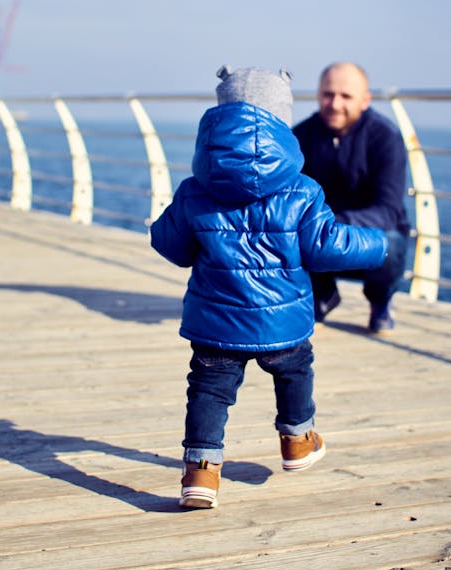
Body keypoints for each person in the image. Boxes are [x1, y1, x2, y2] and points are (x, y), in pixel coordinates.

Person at [150, 65, 388, 509]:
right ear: (281, 120)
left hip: (215, 321)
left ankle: (201, 473)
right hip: (283, 319)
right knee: (295, 370)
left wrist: (164, 230)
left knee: (208, 391)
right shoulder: (302, 190)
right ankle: (297, 440)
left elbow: (173, 246)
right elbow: (326, 247)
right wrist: (377, 245)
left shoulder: (194, 191)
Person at [293, 62, 410, 334]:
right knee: (286, 226)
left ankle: (380, 301)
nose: (334, 103)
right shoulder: (300, 136)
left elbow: (388, 211)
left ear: (365, 100)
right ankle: (322, 294)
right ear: (318, 94)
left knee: (391, 241)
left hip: (366, 237)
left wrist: (334, 223)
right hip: (321, 238)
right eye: (328, 94)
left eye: (346, 96)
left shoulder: (386, 137)